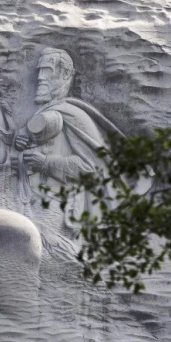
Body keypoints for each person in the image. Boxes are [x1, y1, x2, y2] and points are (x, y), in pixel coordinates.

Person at [11, 47, 124, 240]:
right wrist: (20, 151)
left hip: (59, 209)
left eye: (47, 70)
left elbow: (92, 170)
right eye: (39, 71)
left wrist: (45, 163)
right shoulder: (42, 115)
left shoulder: (75, 116)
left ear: (64, 75)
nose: (40, 78)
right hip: (26, 202)